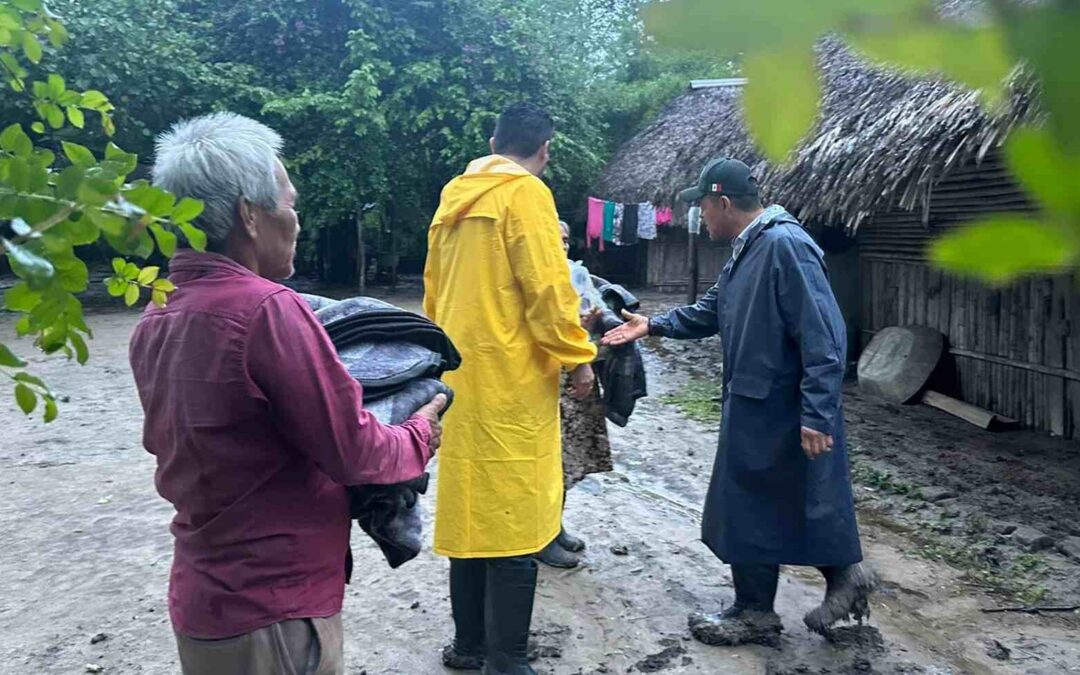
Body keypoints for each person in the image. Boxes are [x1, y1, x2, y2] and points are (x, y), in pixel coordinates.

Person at [128, 112, 445, 675]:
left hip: (206, 599)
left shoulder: (158, 314)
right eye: (290, 204)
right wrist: (420, 430)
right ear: (250, 216)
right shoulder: (267, 310)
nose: (297, 221)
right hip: (273, 613)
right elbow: (354, 450)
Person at [602, 158, 876, 646]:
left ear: (722, 202)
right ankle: (840, 577)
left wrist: (816, 412)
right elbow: (714, 308)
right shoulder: (751, 246)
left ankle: (758, 611)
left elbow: (825, 337)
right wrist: (655, 324)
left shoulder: (785, 246)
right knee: (775, 500)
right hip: (757, 400)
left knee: (754, 503)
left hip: (781, 405)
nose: (699, 217)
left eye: (702, 207)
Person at [424, 103, 598, 674]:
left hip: (458, 381)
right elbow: (548, 291)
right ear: (544, 150)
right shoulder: (526, 195)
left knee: (470, 513)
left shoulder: (454, 197)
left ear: (493, 140)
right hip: (511, 382)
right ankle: (508, 660)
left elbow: (432, 292)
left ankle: (468, 648)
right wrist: (578, 358)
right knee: (517, 520)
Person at [534, 221, 613, 569]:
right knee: (548, 459)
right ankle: (540, 536)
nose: (563, 246)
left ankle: (554, 526)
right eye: (555, 239)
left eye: (566, 240)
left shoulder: (574, 275)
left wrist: (590, 323)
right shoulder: (536, 279)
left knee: (566, 460)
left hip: (573, 380)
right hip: (547, 380)